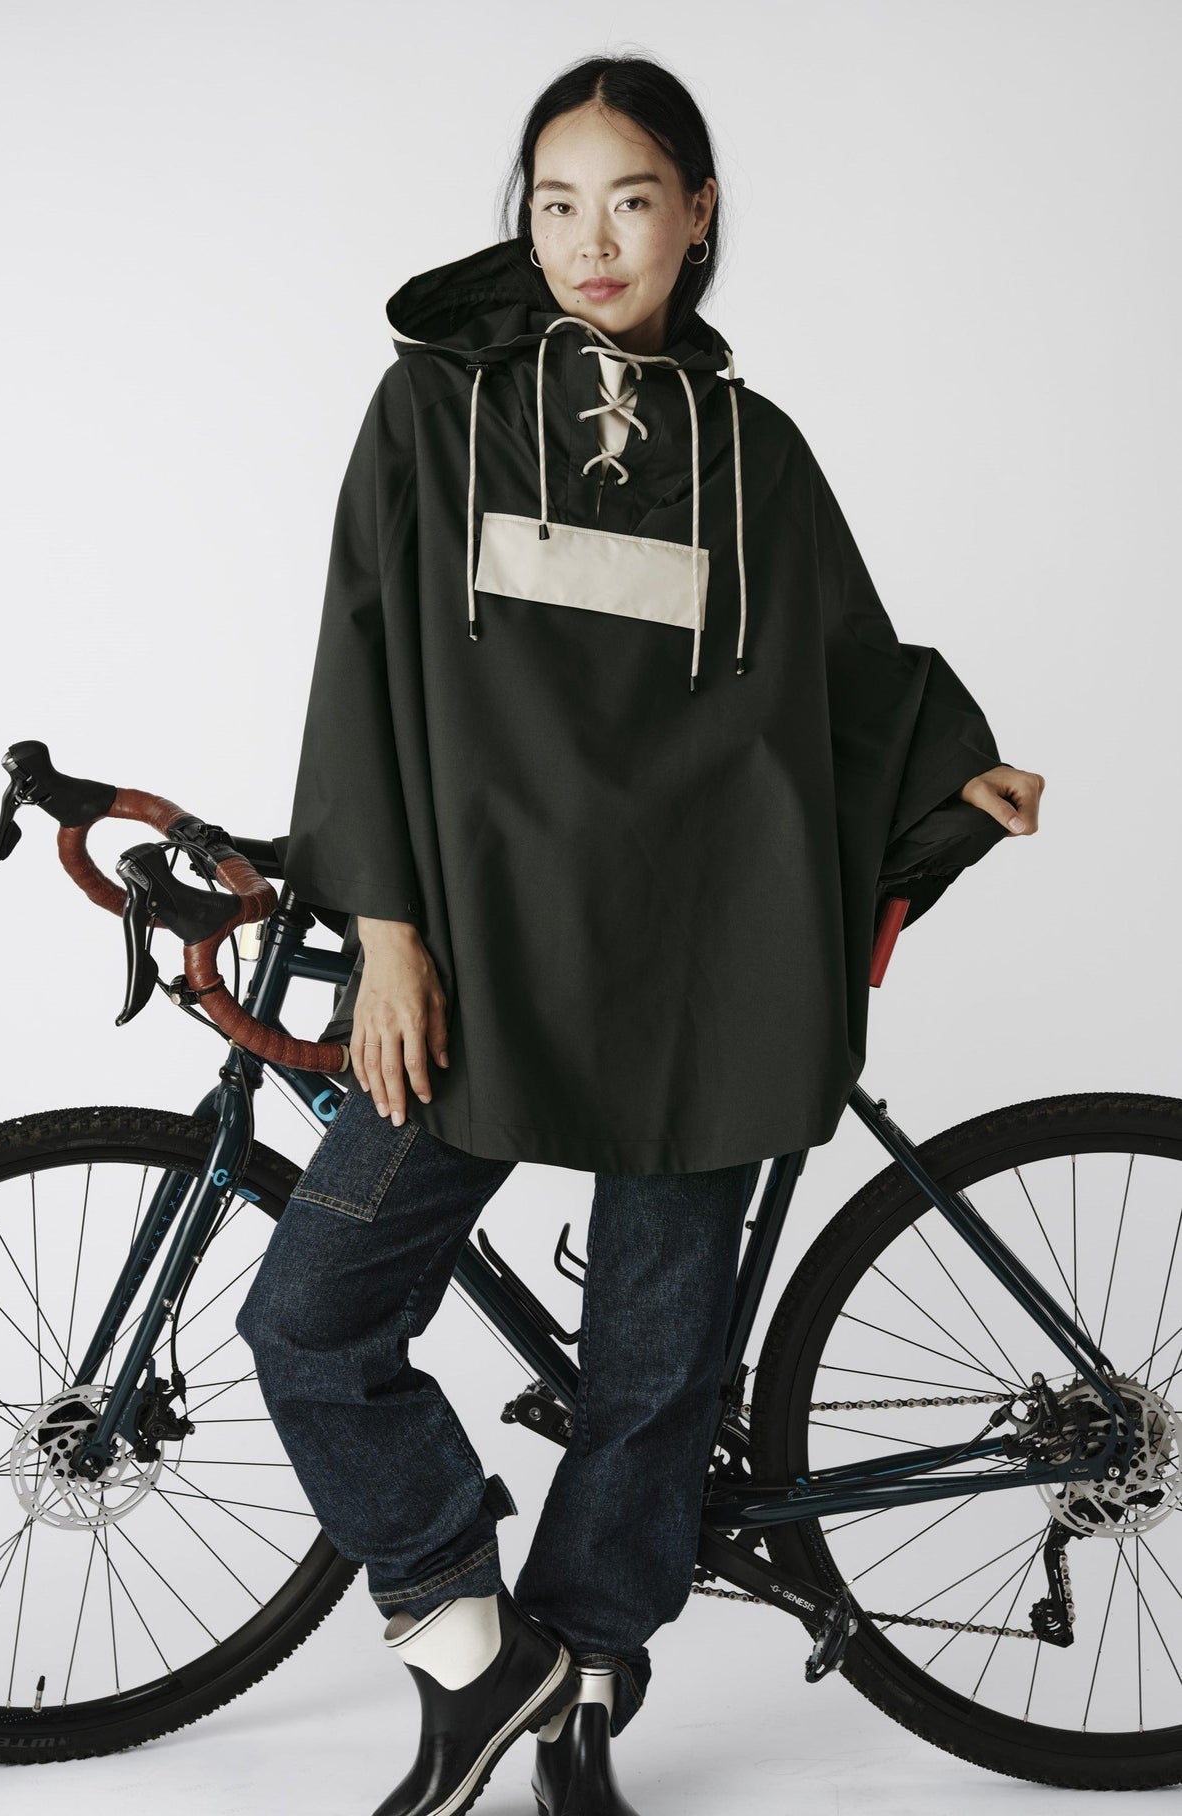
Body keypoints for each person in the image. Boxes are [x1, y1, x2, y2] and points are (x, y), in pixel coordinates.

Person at [242, 52, 1044, 1816]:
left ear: (696, 215)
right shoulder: (436, 407)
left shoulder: (756, 454)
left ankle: (578, 1700)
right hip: (476, 953)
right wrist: (386, 929)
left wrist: (946, 770)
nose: (589, 240)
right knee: (310, 1318)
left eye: (627, 200)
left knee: (652, 1374)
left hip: (704, 955)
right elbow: (358, 663)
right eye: (554, 203)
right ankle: (475, 1650)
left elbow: (843, 676)